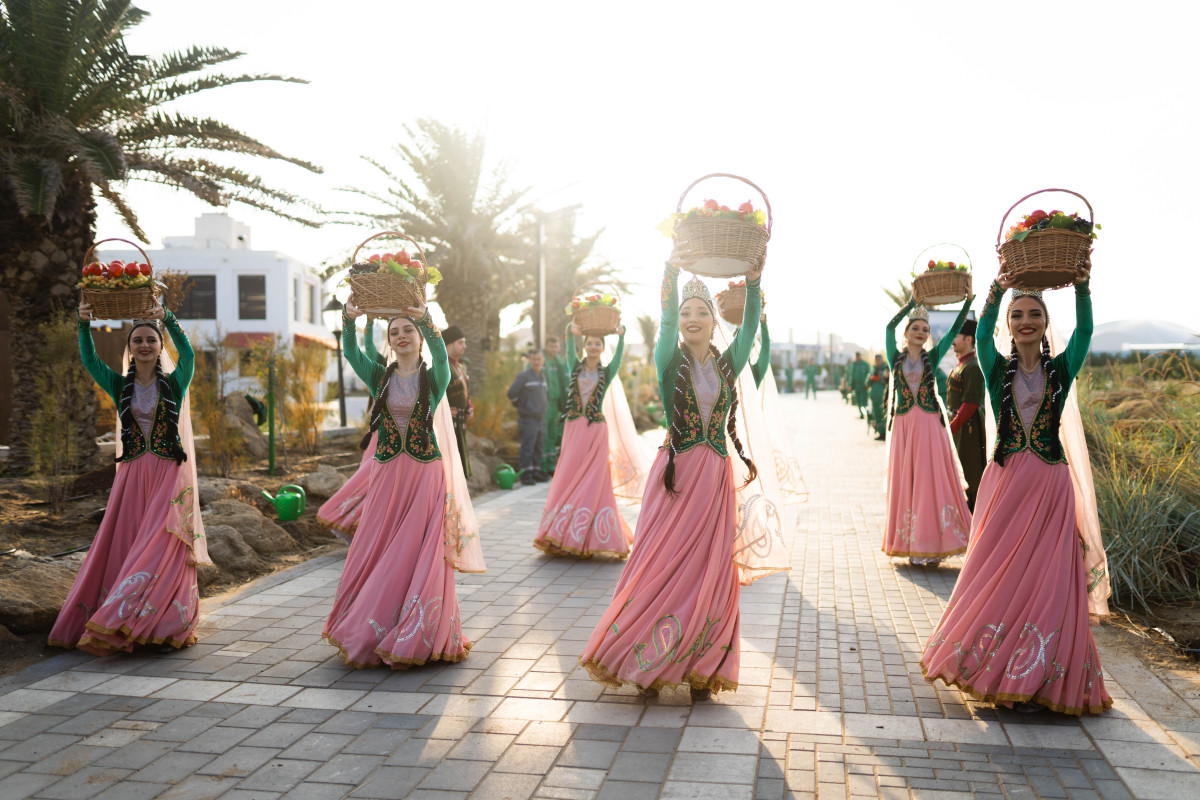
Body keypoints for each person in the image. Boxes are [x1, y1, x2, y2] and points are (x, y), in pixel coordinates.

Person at [920, 268, 1111, 715]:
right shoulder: (995, 368)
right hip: (1005, 486)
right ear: (1010, 324)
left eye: (1035, 315)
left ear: (1045, 323)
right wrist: (995, 289)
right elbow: (982, 334)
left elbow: (1084, 330)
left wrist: (1082, 285)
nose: (1026, 322)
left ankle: (1041, 678)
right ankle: (996, 668)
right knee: (995, 572)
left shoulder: (1062, 368)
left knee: (1049, 580)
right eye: (1018, 315)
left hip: (1049, 486)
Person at [580, 264, 762, 700]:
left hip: (715, 478)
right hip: (676, 476)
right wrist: (671, 271)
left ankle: (701, 662)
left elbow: (751, 326)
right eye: (686, 313)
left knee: (711, 569)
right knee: (659, 566)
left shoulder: (727, 363)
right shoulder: (668, 359)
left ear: (713, 320)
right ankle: (645, 659)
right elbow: (663, 321)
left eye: (701, 311)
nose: (692, 318)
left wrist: (754, 282)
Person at [50, 300, 208, 655]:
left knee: (163, 544)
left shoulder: (176, 382)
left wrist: (166, 318)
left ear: (159, 346)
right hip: (134, 474)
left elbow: (189, 356)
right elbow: (90, 361)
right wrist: (83, 325)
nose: (145, 345)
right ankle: (126, 618)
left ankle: (164, 623)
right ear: (131, 349)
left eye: (151, 340)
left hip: (169, 471)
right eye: (138, 340)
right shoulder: (119, 385)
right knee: (131, 543)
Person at [322, 299, 472, 668]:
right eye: (394, 332)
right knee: (379, 546)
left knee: (418, 550)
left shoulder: (435, 377)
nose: (401, 336)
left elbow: (440, 348)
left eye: (408, 331)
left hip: (425, 475)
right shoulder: (379, 376)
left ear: (420, 338)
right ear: (388, 340)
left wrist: (425, 317)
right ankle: (372, 625)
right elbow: (351, 350)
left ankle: (416, 631)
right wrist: (349, 318)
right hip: (387, 474)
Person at [882, 297, 973, 564]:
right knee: (908, 482)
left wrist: (967, 304)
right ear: (906, 333)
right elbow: (889, 328)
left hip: (929, 426)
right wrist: (911, 304)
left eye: (925, 329)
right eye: (915, 328)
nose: (921, 333)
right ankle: (913, 545)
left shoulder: (932, 357)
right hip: (904, 428)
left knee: (929, 482)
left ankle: (935, 543)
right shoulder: (894, 357)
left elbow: (955, 329)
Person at [534, 323, 634, 558]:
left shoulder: (606, 373)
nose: (593, 347)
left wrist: (622, 336)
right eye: (589, 343)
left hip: (596, 429)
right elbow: (569, 351)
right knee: (568, 475)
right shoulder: (575, 366)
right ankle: (560, 533)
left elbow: (618, 359)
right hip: (574, 428)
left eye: (597, 344)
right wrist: (569, 331)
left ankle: (587, 535)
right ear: (584, 346)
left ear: (602, 348)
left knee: (594, 479)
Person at [317, 319, 383, 542]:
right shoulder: (380, 373)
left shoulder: (421, 374)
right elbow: (365, 350)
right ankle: (351, 525)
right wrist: (367, 324)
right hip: (381, 439)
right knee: (366, 481)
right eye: (394, 334)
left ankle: (367, 530)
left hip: (409, 447)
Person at [947, 318, 986, 510]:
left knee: (970, 471)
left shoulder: (973, 366)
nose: (953, 339)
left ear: (969, 339)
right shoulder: (962, 364)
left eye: (957, 336)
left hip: (967, 427)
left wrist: (953, 426)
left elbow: (971, 403)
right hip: (959, 426)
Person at [508, 350, 550, 485]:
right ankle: (526, 475)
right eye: (534, 359)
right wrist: (523, 406)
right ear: (530, 361)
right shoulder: (524, 376)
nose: (536, 362)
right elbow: (511, 393)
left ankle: (536, 472)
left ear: (543, 361)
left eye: (539, 359)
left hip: (540, 418)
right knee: (528, 447)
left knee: (539, 446)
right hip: (528, 418)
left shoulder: (542, 376)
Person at [442, 325, 473, 479]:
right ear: (449, 344)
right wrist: (445, 411)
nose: (464, 346)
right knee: (449, 467)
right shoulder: (442, 366)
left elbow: (465, 390)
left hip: (460, 422)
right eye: (460, 342)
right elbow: (435, 393)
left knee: (459, 464)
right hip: (447, 424)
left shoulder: (459, 366)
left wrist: (469, 405)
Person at [541, 336, 569, 474]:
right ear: (546, 346)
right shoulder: (540, 360)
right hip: (544, 404)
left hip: (556, 405)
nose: (553, 349)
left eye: (556, 346)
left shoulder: (560, 363)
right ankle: (542, 466)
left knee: (553, 435)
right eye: (551, 346)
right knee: (544, 436)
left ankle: (551, 466)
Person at [868, 354, 889, 441]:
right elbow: (867, 382)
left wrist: (880, 378)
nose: (877, 361)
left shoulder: (886, 368)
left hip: (882, 397)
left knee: (884, 415)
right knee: (877, 416)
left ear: (882, 360)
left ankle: (886, 433)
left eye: (879, 360)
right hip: (874, 397)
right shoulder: (873, 370)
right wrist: (871, 378)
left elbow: (887, 380)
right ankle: (881, 433)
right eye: (876, 360)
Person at [850, 352, 870, 418]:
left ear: (860, 356)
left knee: (863, 401)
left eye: (858, 356)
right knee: (858, 401)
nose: (857, 358)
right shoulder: (854, 365)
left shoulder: (865, 364)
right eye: (856, 357)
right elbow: (852, 376)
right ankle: (861, 414)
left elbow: (869, 374)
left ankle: (866, 414)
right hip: (856, 386)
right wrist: (851, 385)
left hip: (863, 386)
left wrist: (868, 384)